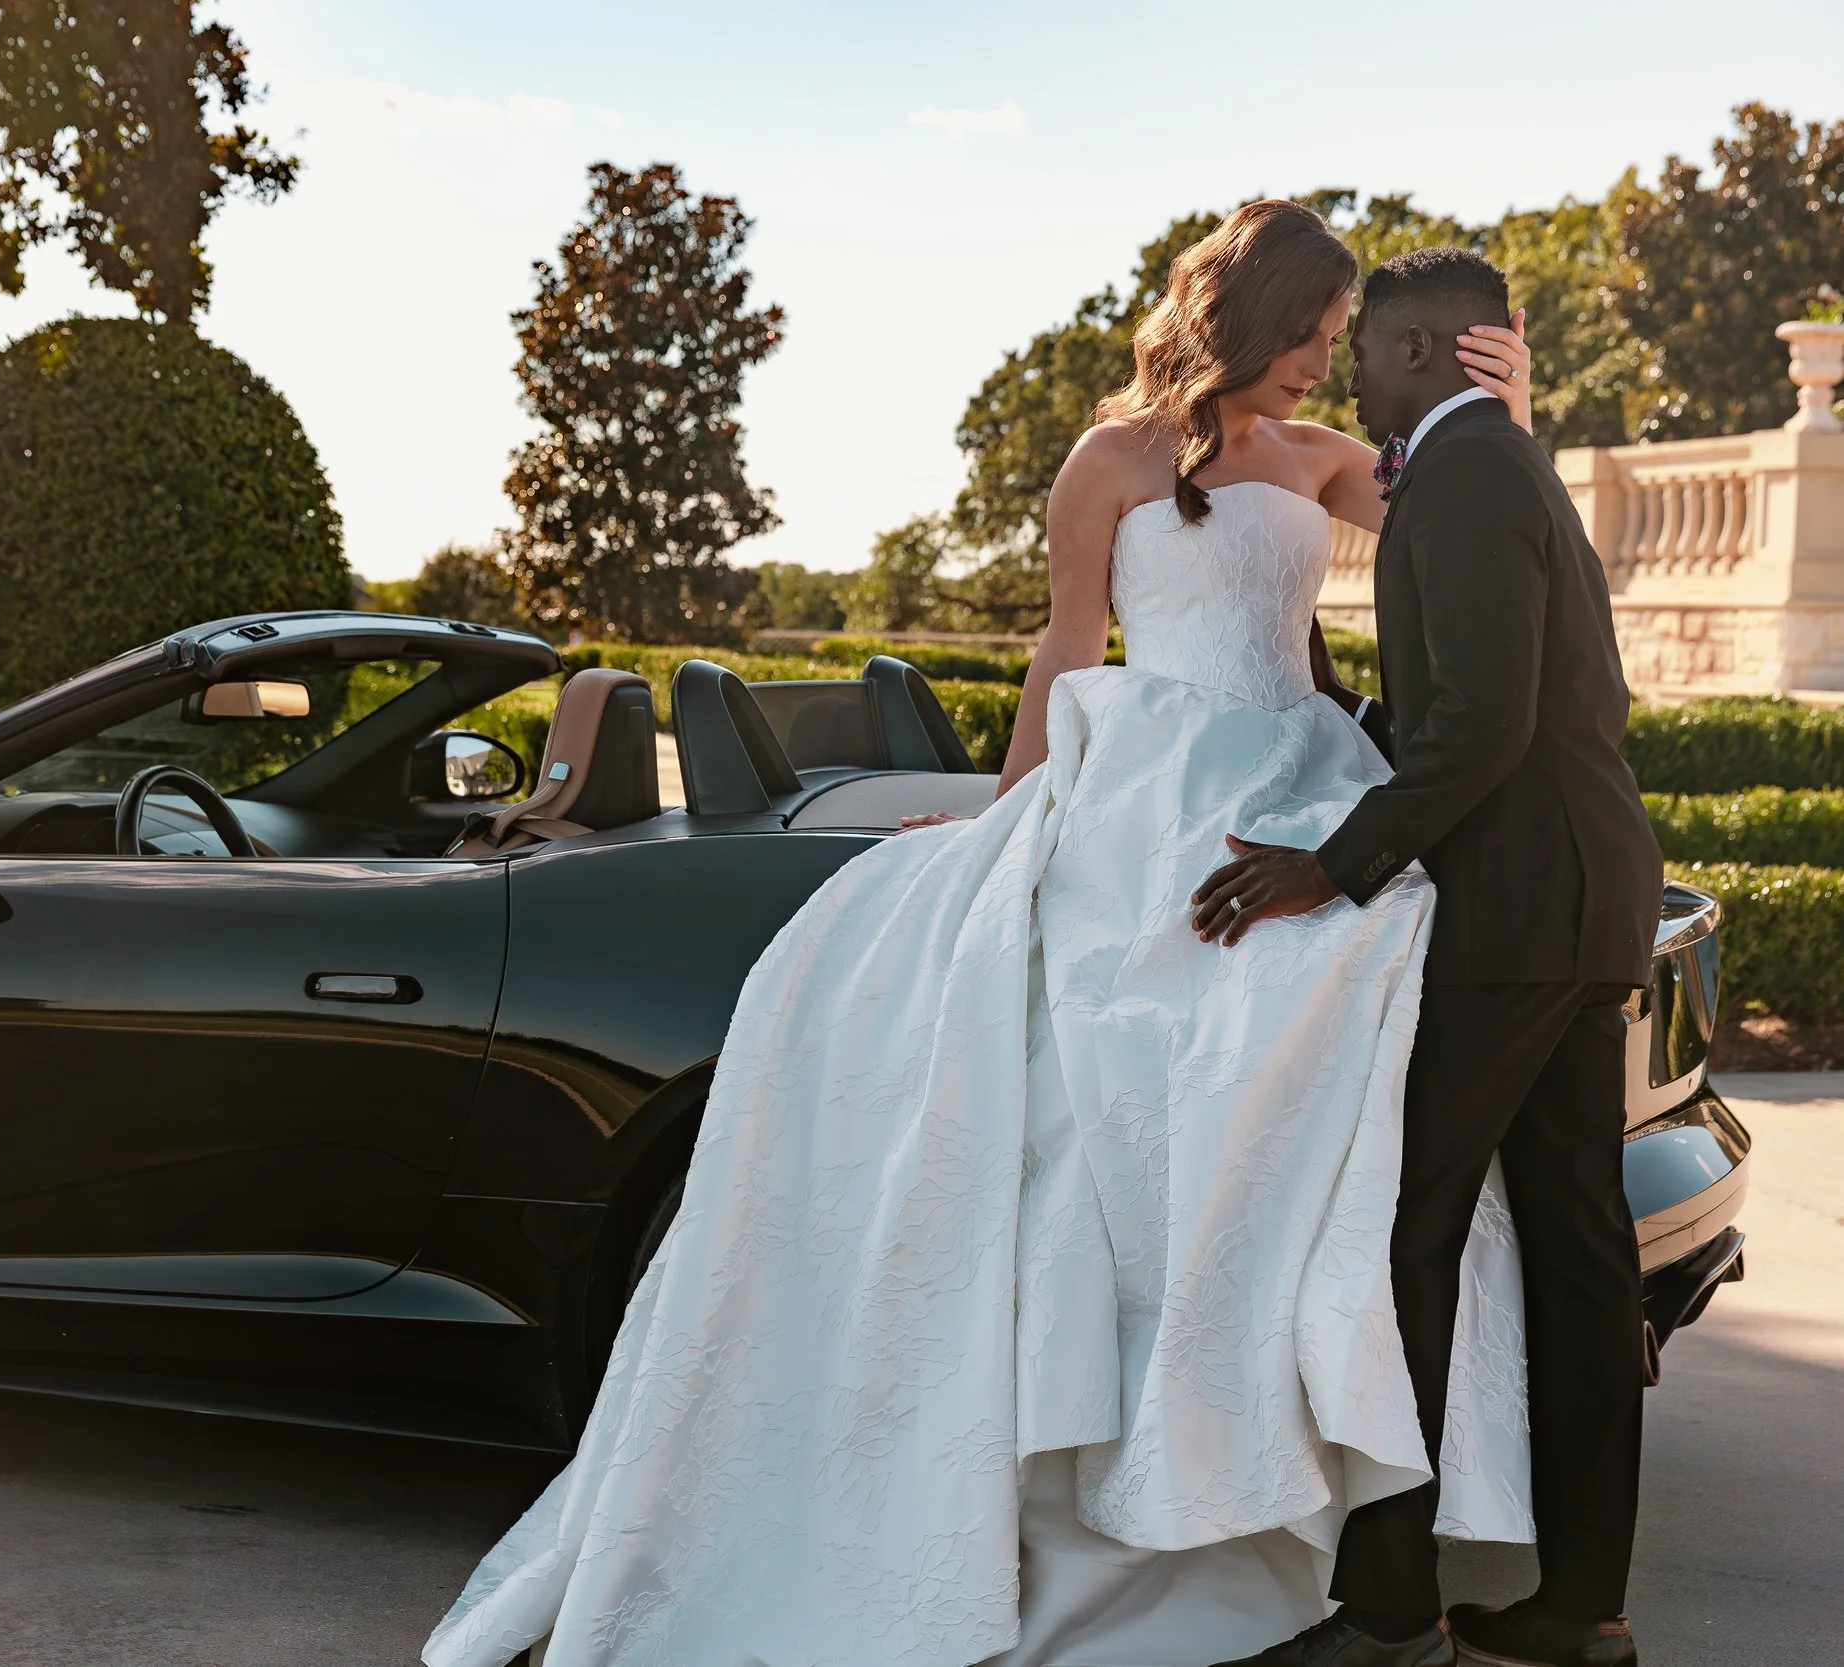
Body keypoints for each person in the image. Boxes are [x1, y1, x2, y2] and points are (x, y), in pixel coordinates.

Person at [423, 201, 1541, 1667]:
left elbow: (1487, 529)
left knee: (1323, 999)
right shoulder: (1108, 464)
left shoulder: (1334, 461)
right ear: (1247, 314)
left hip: (1299, 765)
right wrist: (1011, 824)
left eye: (1343, 342)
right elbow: (1067, 651)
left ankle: (1297, 1438)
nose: (1327, 367)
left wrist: (1509, 412)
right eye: (1311, 335)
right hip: (1148, 782)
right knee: (1107, 1055)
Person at [1193, 247, 1657, 1667]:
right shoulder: (1513, 472)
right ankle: (1578, 1609)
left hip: (1510, 922)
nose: (1344, 372)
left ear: (1416, 351)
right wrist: (1365, 715)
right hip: (1589, 910)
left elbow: (1484, 732)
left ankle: (1390, 1602)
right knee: (1583, 1257)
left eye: (1359, 346)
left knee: (1405, 1233)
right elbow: (1533, 696)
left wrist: (1323, 866)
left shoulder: (1459, 478)